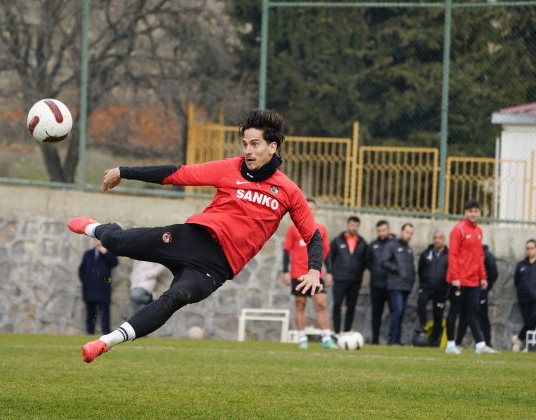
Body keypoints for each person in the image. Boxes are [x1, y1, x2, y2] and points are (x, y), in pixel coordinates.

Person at [68, 109, 325, 363]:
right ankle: (93, 227)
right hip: (190, 238)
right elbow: (176, 174)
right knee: (116, 241)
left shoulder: (289, 191)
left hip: (215, 267)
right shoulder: (229, 168)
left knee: (174, 298)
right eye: (245, 143)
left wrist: (314, 270)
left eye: (254, 144)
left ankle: (105, 342)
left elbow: (313, 236)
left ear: (272, 147)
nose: (247, 150)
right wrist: (124, 171)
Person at [282, 198, 338, 349]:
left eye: (312, 208)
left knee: (321, 303)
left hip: (314, 275)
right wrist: (285, 271)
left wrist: (330, 272)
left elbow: (325, 252)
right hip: (298, 274)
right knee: (300, 304)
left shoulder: (321, 229)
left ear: (315, 210)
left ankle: (326, 338)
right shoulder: (293, 229)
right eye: (307, 208)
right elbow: (287, 250)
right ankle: (302, 339)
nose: (309, 211)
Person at [444, 200, 497, 355]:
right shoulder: (458, 230)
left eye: (476, 211)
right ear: (465, 212)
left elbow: (479, 256)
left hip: (473, 280)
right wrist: (455, 277)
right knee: (454, 311)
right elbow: (453, 255)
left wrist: (483, 276)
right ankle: (450, 345)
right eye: (470, 211)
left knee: (474, 311)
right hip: (459, 279)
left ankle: (480, 345)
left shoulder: (479, 231)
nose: (473, 214)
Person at [325, 216, 367, 335]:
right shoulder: (338, 241)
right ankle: (337, 331)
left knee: (351, 306)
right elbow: (329, 257)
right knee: (337, 304)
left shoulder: (362, 243)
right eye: (352, 225)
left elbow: (365, 260)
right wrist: (330, 272)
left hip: (355, 280)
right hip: (339, 279)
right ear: (348, 225)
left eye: (356, 226)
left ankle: (347, 331)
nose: (354, 227)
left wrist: (359, 271)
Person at [380, 223, 416, 345]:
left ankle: (397, 339)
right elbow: (384, 261)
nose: (408, 235)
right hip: (395, 285)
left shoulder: (409, 249)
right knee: (397, 311)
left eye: (411, 233)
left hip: (406, 286)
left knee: (401, 313)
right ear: (401, 231)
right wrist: (397, 269)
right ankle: (392, 339)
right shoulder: (392, 245)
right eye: (407, 232)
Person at [456, 244, 498, 347]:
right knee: (464, 316)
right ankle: (458, 342)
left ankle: (487, 343)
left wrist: (485, 287)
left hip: (479, 290)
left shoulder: (487, 256)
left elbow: (493, 273)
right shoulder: (466, 254)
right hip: (467, 288)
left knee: (482, 316)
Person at [78, 239, 119, 335]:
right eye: (96, 240)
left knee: (104, 311)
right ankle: (89, 331)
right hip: (89, 288)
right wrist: (85, 282)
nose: (98, 242)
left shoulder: (108, 253)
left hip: (103, 288)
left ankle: (106, 332)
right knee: (90, 311)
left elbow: (114, 263)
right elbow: (81, 270)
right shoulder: (88, 254)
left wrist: (106, 253)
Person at [416, 230, 449, 347]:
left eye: (440, 238)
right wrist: (423, 282)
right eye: (435, 238)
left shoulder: (448, 255)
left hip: (441, 289)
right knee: (421, 301)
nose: (437, 240)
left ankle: (435, 340)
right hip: (426, 286)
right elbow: (420, 269)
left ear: (444, 240)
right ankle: (423, 324)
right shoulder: (426, 253)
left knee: (438, 315)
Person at [365, 220, 395, 344]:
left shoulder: (395, 244)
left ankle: (392, 339)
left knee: (394, 312)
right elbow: (367, 261)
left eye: (384, 230)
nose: (381, 233)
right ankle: (375, 339)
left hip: (392, 284)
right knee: (376, 313)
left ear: (388, 230)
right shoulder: (373, 245)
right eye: (379, 231)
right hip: (376, 284)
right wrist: (375, 271)